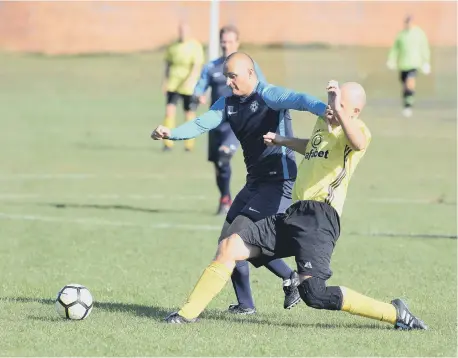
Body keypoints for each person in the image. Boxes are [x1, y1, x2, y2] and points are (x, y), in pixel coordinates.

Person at [163, 80, 428, 331]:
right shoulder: (322, 124)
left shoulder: (359, 131)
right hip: (294, 212)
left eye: (339, 105)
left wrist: (338, 112)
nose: (330, 108)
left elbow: (356, 142)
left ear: (355, 111)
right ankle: (186, 314)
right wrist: (283, 140)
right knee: (229, 245)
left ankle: (395, 312)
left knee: (315, 294)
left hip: (320, 218)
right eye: (329, 102)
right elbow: (313, 147)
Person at [152, 52, 328, 315]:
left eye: (233, 76)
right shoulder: (227, 104)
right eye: (226, 77)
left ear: (250, 74)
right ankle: (248, 302)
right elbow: (202, 123)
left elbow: (301, 99)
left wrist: (325, 110)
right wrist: (172, 133)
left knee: (236, 241)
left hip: (279, 182)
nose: (228, 82)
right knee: (227, 240)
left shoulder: (268, 95)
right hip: (254, 183)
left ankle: (289, 278)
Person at [193, 25, 266, 215]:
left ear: (237, 42)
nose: (226, 45)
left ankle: (255, 199)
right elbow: (199, 87)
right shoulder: (211, 67)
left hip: (239, 121)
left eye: (230, 41)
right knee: (219, 163)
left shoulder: (248, 65)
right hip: (216, 122)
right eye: (223, 42)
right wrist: (198, 96)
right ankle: (225, 197)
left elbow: (264, 87)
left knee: (225, 153)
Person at [162, 21, 204, 151]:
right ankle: (167, 143)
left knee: (189, 114)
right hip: (174, 84)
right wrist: (165, 80)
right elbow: (168, 64)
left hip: (188, 86)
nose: (182, 33)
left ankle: (189, 144)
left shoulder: (195, 46)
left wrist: (191, 79)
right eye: (181, 31)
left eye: (185, 31)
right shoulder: (173, 46)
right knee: (169, 111)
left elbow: (197, 66)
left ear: (189, 32)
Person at [386, 15, 431, 118]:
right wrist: (391, 59)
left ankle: (408, 106)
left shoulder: (419, 33)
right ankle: (406, 104)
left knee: (410, 83)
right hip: (403, 65)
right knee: (405, 86)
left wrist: (426, 62)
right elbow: (395, 49)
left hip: (414, 63)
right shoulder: (401, 35)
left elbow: (424, 47)